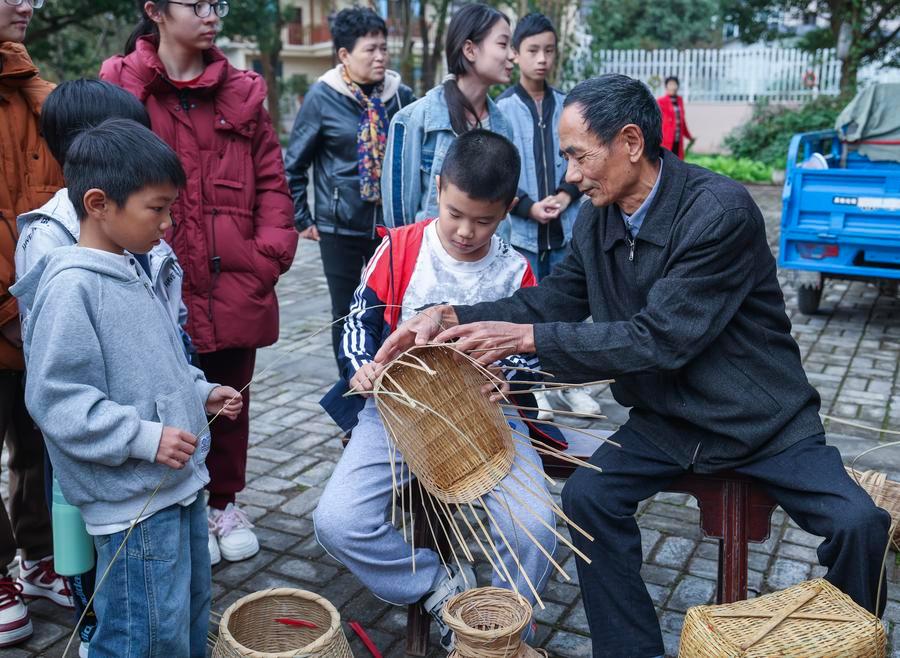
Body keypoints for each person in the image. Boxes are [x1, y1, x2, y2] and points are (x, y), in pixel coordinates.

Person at [376, 74, 891, 658]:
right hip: (667, 421)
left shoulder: (718, 211)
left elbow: (661, 339)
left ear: (629, 142)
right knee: (588, 501)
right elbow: (554, 298)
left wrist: (530, 338)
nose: (569, 174)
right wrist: (449, 315)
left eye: (577, 155)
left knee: (860, 525)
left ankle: (850, 643)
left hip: (760, 420)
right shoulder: (600, 216)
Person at [314, 131, 556, 652]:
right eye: (455, 213)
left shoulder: (516, 270)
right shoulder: (399, 247)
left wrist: (506, 371)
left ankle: (508, 624)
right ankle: (439, 591)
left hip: (489, 418)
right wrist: (362, 368)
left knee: (535, 524)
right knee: (338, 520)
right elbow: (360, 320)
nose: (467, 231)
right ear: (439, 188)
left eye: (484, 220)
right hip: (396, 411)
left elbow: (527, 351)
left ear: (509, 209)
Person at [12, 119, 243, 657]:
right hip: (132, 504)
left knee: (184, 619)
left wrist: (200, 390)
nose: (167, 223)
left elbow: (160, 360)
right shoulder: (72, 287)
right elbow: (56, 399)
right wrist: (142, 438)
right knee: (141, 633)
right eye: (156, 208)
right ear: (99, 204)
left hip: (175, 486)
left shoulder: (130, 266)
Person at [101, 0, 298, 565]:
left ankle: (223, 504)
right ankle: (177, 507)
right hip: (150, 281)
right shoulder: (123, 85)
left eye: (219, 3)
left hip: (234, 277)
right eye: (197, 3)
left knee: (230, 398)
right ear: (155, 11)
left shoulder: (244, 92)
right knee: (157, 397)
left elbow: (273, 182)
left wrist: (267, 256)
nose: (212, 14)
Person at [285, 7, 415, 365]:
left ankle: (391, 388)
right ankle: (352, 389)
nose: (379, 56)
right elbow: (294, 163)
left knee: (390, 309)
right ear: (344, 54)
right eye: (370, 49)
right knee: (345, 313)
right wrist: (302, 216)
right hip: (338, 225)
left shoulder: (400, 95)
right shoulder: (323, 96)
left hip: (390, 227)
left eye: (383, 48)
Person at [0, 0, 71, 648]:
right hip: (10, 313)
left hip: (36, 317)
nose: (26, 4)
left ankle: (37, 556)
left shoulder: (34, 90)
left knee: (35, 445)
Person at [496, 12, 597, 420]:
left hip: (565, 229)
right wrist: (527, 205)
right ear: (516, 54)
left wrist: (565, 194)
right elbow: (500, 170)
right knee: (527, 309)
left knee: (570, 311)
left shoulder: (569, 106)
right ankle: (533, 390)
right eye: (532, 50)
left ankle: (570, 386)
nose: (541, 59)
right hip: (522, 234)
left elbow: (583, 156)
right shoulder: (502, 109)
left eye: (549, 50)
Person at [382, 3, 515, 228]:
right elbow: (398, 223)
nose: (513, 55)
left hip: (485, 261)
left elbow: (500, 215)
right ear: (470, 50)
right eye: (503, 44)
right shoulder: (412, 120)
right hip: (427, 260)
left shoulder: (503, 127)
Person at [657, 75, 693, 159]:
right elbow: (657, 121)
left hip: (678, 139)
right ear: (666, 87)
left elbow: (682, 121)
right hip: (666, 139)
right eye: (670, 84)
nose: (673, 87)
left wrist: (689, 137)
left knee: (677, 162)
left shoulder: (680, 100)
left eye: (674, 84)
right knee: (666, 161)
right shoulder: (660, 101)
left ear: (677, 86)